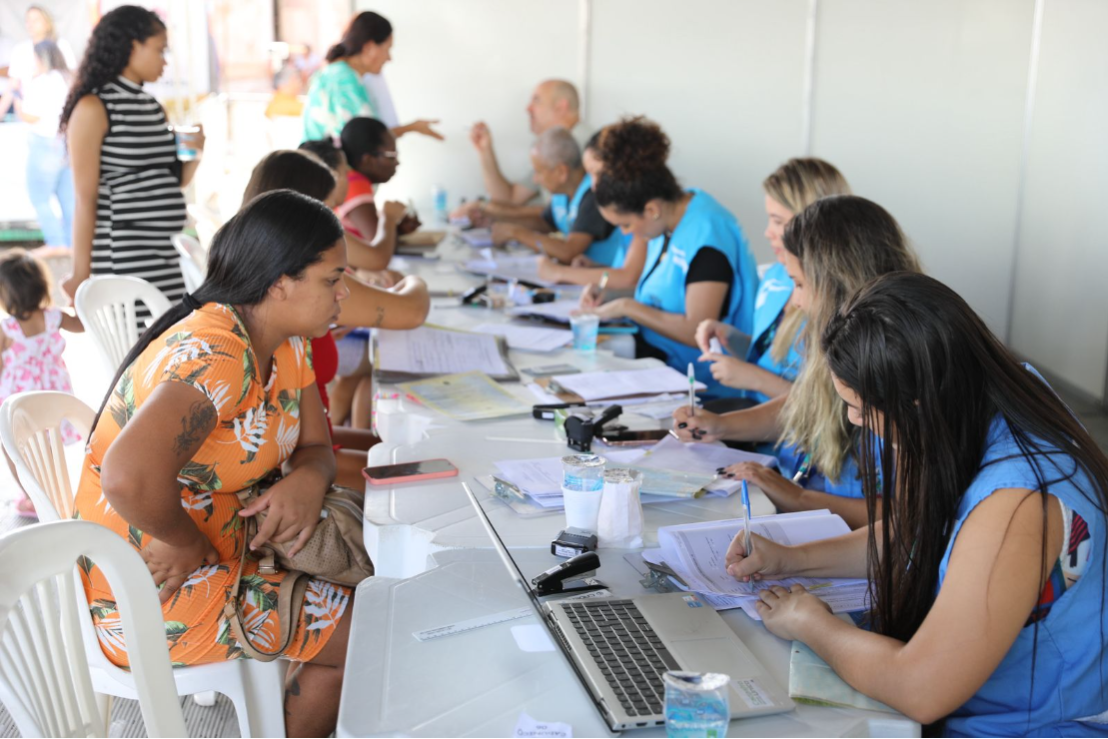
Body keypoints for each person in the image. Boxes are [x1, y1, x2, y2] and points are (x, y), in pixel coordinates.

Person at [733, 272, 1108, 736]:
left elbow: (922, 688)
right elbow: (917, 532)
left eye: (859, 408)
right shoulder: (975, 401)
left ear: (914, 401)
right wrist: (793, 560)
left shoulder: (1019, 505)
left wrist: (812, 624)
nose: (854, 420)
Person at [75, 191, 357, 738]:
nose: (343, 294)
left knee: (378, 598)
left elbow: (318, 449)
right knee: (367, 631)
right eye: (332, 279)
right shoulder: (217, 355)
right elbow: (127, 475)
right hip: (149, 592)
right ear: (280, 282)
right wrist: (182, 540)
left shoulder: (285, 342)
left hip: (231, 557)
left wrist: (307, 478)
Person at [673, 196, 921, 528]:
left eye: (800, 285)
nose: (798, 301)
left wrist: (798, 499)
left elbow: (907, 520)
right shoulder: (834, 334)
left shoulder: (898, 359)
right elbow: (804, 405)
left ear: (836, 282)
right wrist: (721, 425)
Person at [240, 150, 430, 478]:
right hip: (291, 462)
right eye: (328, 209)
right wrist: (415, 279)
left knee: (416, 452)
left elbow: (312, 440)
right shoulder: (301, 285)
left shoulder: (266, 271)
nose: (334, 222)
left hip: (306, 443)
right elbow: (410, 311)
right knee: (418, 472)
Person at [586, 117, 758, 398]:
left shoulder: (708, 235)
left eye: (626, 225)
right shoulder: (666, 221)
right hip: (658, 364)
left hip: (702, 388)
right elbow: (667, 292)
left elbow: (696, 330)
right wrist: (609, 297)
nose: (627, 234)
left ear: (651, 210)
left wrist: (628, 307)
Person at [60, 5, 205, 322]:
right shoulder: (93, 106)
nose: (164, 60)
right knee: (138, 355)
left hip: (164, 252)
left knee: (168, 346)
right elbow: (85, 198)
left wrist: (194, 153)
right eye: (159, 49)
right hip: (123, 255)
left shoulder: (152, 107)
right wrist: (80, 274)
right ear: (131, 44)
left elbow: (169, 180)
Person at [696, 158, 852, 406]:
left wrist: (754, 379)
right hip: (757, 426)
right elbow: (774, 352)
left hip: (793, 440)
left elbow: (832, 408)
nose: (767, 232)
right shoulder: (775, 275)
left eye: (778, 221)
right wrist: (731, 337)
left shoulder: (838, 296)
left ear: (813, 222)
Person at [0, 249, 84, 519]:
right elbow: (82, 323)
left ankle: (31, 495)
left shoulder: (7, 329)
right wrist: (74, 294)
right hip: (52, 396)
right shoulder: (53, 317)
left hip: (18, 401)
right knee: (47, 443)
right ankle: (55, 489)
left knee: (12, 445)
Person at [485, 127, 628, 267]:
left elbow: (569, 252)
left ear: (561, 172)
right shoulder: (561, 194)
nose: (535, 179)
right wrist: (498, 221)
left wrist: (516, 232)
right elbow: (544, 223)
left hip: (607, 279)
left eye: (539, 172)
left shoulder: (592, 194)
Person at [302, 11, 440, 142]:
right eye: (387, 49)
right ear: (369, 47)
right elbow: (368, 140)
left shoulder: (337, 72)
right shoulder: (344, 79)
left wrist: (411, 128)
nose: (389, 58)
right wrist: (411, 128)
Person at [455, 79, 587, 212]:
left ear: (561, 107)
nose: (527, 108)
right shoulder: (551, 145)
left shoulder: (581, 145)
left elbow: (554, 216)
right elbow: (511, 198)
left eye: (536, 100)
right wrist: (485, 151)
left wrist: (484, 208)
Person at [539, 129, 645, 289]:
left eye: (598, 174)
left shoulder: (644, 214)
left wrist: (560, 273)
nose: (593, 185)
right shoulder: (624, 209)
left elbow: (628, 278)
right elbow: (620, 272)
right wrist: (597, 267)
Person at [335, 116, 419, 271]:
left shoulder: (354, 180)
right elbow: (379, 254)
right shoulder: (355, 184)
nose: (397, 162)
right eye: (391, 156)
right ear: (368, 160)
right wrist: (390, 219)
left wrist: (397, 228)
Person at [15, 39, 74, 255]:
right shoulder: (68, 79)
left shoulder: (42, 82)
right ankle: (71, 243)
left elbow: (31, 116)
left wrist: (19, 105)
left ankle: (55, 242)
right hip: (65, 142)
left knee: (39, 197)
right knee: (67, 197)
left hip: (44, 142)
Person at [0, 5, 76, 119]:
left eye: (35, 20)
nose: (31, 24)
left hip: (57, 116)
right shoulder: (21, 49)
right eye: (28, 20)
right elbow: (12, 87)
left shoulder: (61, 46)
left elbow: (72, 79)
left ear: (47, 23)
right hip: (30, 117)